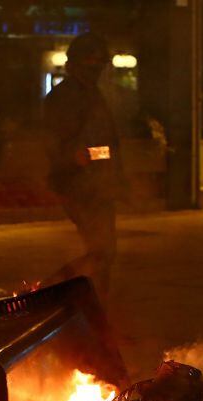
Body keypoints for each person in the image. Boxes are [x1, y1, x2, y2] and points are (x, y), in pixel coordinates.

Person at [42, 32, 122, 299]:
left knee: (104, 253)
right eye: (91, 62)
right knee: (102, 252)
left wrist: (115, 175)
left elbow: (106, 142)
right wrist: (74, 158)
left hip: (100, 184)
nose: (96, 68)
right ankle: (50, 292)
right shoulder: (63, 97)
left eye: (100, 63)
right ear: (74, 64)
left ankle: (96, 309)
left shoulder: (94, 94)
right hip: (78, 185)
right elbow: (53, 145)